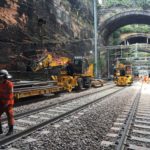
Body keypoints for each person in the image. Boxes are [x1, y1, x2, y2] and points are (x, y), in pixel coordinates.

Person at [0, 69, 14, 136]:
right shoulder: (0, 83)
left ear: (5, 77)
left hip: (8, 103)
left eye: (1, 78)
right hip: (1, 102)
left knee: (10, 116)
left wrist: (6, 103)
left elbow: (10, 95)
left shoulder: (9, 84)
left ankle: (11, 130)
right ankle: (0, 130)